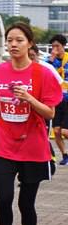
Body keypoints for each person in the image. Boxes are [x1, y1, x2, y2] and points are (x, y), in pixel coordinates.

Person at [0, 23, 60, 225]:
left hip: (33, 146)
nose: (13, 45)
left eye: (19, 40)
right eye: (9, 40)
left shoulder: (43, 74)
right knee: (3, 198)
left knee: (26, 203)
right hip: (3, 144)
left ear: (29, 43)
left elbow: (49, 113)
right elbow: (1, 105)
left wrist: (29, 98)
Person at [45, 34, 68, 165]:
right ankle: (65, 155)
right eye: (53, 46)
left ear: (63, 46)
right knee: (57, 131)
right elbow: (46, 75)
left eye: (57, 46)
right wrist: (51, 61)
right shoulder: (50, 63)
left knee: (65, 131)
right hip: (57, 100)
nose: (55, 49)